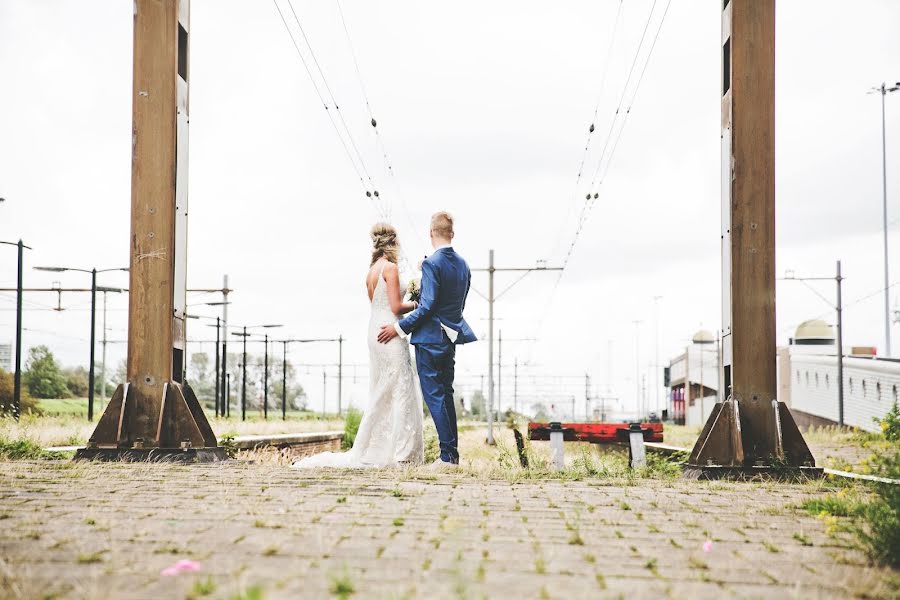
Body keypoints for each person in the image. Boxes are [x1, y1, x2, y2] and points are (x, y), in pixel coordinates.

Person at [292, 223, 424, 468]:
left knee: (381, 389)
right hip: (390, 331)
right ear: (393, 243)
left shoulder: (371, 271)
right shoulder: (391, 268)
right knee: (400, 388)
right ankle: (401, 452)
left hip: (375, 328)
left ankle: (378, 447)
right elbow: (396, 308)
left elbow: (378, 305)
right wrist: (420, 303)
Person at [377, 212, 476, 467]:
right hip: (451, 337)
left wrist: (398, 328)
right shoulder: (464, 265)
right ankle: (452, 455)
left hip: (430, 339)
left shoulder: (432, 264)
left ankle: (446, 457)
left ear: (431, 233)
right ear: (452, 234)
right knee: (446, 393)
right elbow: (458, 303)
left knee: (435, 396)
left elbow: (428, 305)